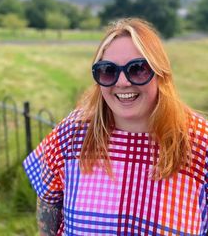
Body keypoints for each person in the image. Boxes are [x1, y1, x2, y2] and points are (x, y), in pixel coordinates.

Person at [23, 18, 208, 235]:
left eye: (138, 69)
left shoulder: (199, 143)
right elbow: (48, 206)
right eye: (108, 70)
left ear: (160, 74)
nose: (122, 82)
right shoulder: (71, 134)